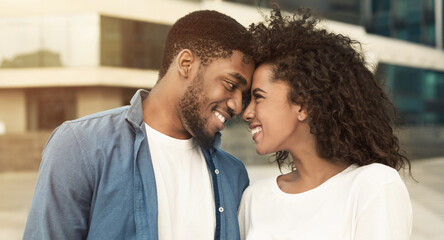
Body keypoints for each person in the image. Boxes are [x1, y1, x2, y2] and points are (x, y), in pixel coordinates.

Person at [24, 10, 255, 240]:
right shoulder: (81, 146)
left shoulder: (233, 175)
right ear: (186, 64)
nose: (237, 106)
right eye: (230, 84)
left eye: (243, 96)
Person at [238, 6, 412, 240]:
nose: (246, 113)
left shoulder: (373, 187)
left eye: (258, 97)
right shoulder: (254, 197)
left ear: (301, 105)